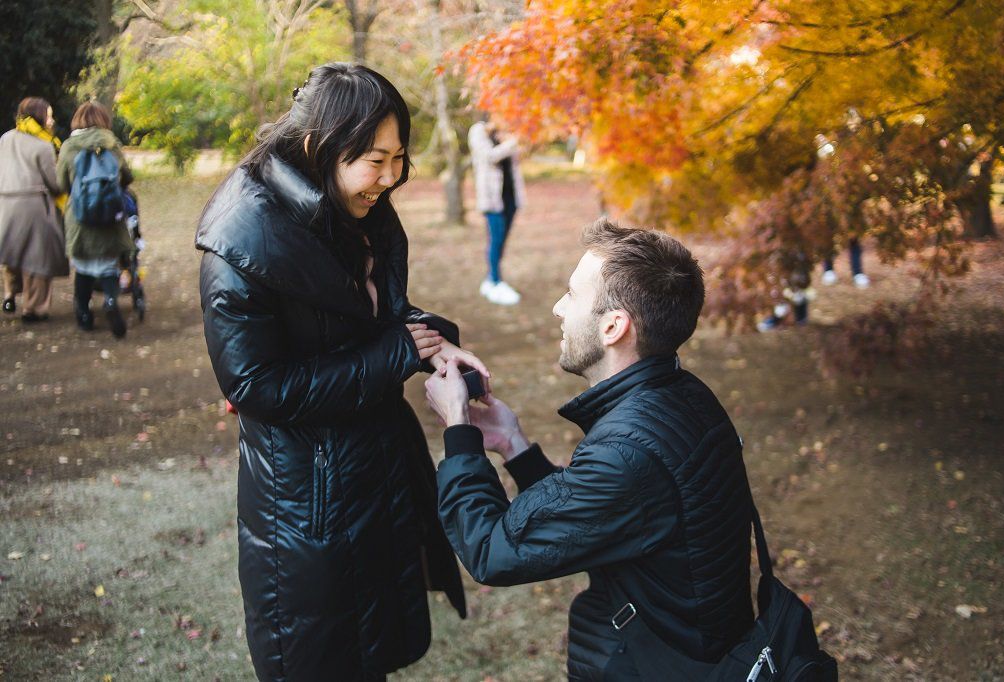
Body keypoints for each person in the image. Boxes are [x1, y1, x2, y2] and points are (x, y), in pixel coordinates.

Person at [196, 63, 488, 681]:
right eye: (373, 159)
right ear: (315, 147)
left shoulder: (356, 208)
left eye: (398, 159)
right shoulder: (242, 239)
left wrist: (434, 343)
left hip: (373, 477)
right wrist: (397, 353)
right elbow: (254, 386)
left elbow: (377, 314)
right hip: (307, 504)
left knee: (371, 658)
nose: (388, 178)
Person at [425, 218, 756, 680]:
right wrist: (512, 444)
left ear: (614, 327)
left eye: (572, 294)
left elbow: (491, 550)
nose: (559, 308)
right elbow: (593, 513)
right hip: (694, 649)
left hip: (653, 665)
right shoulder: (682, 395)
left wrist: (458, 429)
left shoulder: (629, 452)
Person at [56, 101, 134, 338]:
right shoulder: (112, 144)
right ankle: (110, 301)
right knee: (109, 266)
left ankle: (84, 315)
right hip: (110, 217)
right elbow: (127, 177)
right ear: (104, 120)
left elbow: (61, 184)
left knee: (83, 268)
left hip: (79, 219)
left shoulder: (69, 146)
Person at [0, 97, 70, 321]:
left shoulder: (5, 139)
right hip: (33, 204)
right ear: (40, 116)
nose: (52, 120)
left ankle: (10, 293)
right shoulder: (44, 145)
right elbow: (54, 184)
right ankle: (34, 308)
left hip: (5, 202)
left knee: (12, 251)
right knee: (38, 257)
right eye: (48, 115)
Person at [468, 115, 526, 305]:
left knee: (502, 241)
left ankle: (490, 280)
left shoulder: (506, 132)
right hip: (492, 198)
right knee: (496, 238)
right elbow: (489, 156)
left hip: (510, 196)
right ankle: (495, 281)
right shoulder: (478, 130)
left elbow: (516, 159)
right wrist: (512, 142)